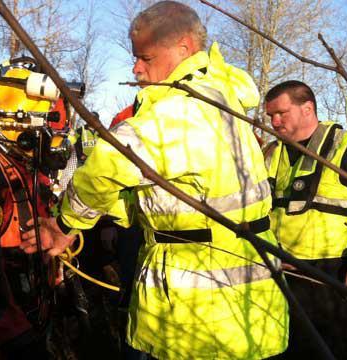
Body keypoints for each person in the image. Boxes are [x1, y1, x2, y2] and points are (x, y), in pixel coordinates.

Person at [20, 1, 289, 359]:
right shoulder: (223, 97)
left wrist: (66, 223)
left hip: (197, 322)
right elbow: (178, 197)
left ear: (183, 48)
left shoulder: (175, 111)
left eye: (145, 57)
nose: (136, 67)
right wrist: (115, 211)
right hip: (254, 311)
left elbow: (105, 167)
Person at [264, 80, 347, 358]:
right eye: (270, 116)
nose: (275, 122)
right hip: (280, 272)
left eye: (281, 113)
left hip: (331, 275)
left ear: (308, 108)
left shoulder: (344, 146)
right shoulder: (271, 153)